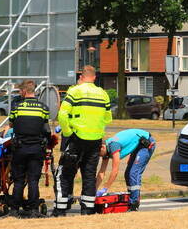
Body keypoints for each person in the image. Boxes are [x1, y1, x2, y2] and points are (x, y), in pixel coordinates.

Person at [54, 65, 111, 216]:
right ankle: (87, 210)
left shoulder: (75, 91)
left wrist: (68, 132)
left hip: (76, 138)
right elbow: (108, 118)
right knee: (89, 175)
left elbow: (62, 115)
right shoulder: (103, 94)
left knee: (64, 173)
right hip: (95, 140)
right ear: (94, 78)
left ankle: (60, 209)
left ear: (81, 77)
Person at [7, 80, 52, 218]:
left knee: (19, 180)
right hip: (36, 148)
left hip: (20, 147)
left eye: (20, 91)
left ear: (24, 91)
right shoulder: (43, 108)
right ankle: (33, 210)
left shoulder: (17, 107)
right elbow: (46, 129)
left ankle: (14, 210)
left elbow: (11, 124)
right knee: (33, 180)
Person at [97, 128, 155, 210]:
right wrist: (94, 191)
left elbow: (115, 170)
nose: (99, 156)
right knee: (127, 174)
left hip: (146, 143)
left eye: (99, 154)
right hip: (138, 144)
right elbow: (101, 172)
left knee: (133, 173)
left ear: (102, 147)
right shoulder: (106, 150)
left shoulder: (113, 145)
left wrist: (105, 188)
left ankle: (134, 203)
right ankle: (132, 198)